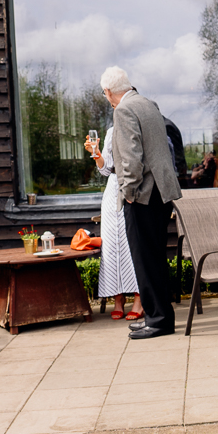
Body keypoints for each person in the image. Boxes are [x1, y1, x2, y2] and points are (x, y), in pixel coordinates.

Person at [104, 66, 181, 339]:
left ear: (109, 92)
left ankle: (158, 320)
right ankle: (158, 315)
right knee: (156, 257)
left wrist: (128, 191)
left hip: (143, 194)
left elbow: (131, 157)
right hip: (162, 192)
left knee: (145, 259)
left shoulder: (122, 111)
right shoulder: (149, 103)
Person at [82, 125, 140, 321]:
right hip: (113, 189)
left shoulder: (139, 127)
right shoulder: (111, 131)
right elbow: (105, 170)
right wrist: (96, 153)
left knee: (133, 245)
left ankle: (140, 300)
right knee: (111, 247)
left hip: (134, 187)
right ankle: (118, 299)